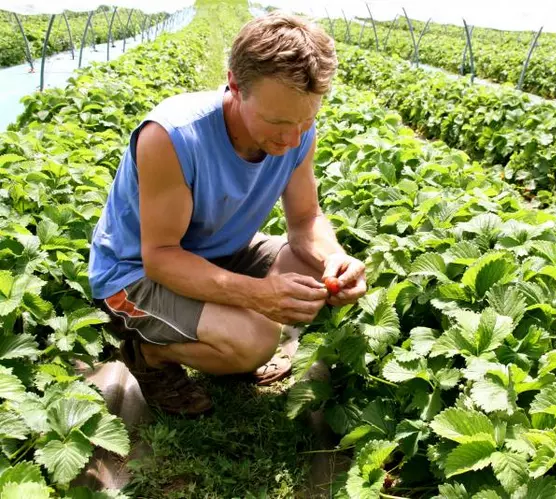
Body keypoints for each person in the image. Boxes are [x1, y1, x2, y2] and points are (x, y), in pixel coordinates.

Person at [88, 12, 367, 416]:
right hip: (136, 274)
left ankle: (223, 333)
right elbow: (161, 257)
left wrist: (334, 260)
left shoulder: (298, 132)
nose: (291, 139)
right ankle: (149, 354)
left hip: (213, 252)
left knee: (313, 271)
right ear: (235, 85)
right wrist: (257, 295)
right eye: (277, 122)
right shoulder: (171, 137)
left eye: (306, 121)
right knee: (254, 342)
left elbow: (306, 219)